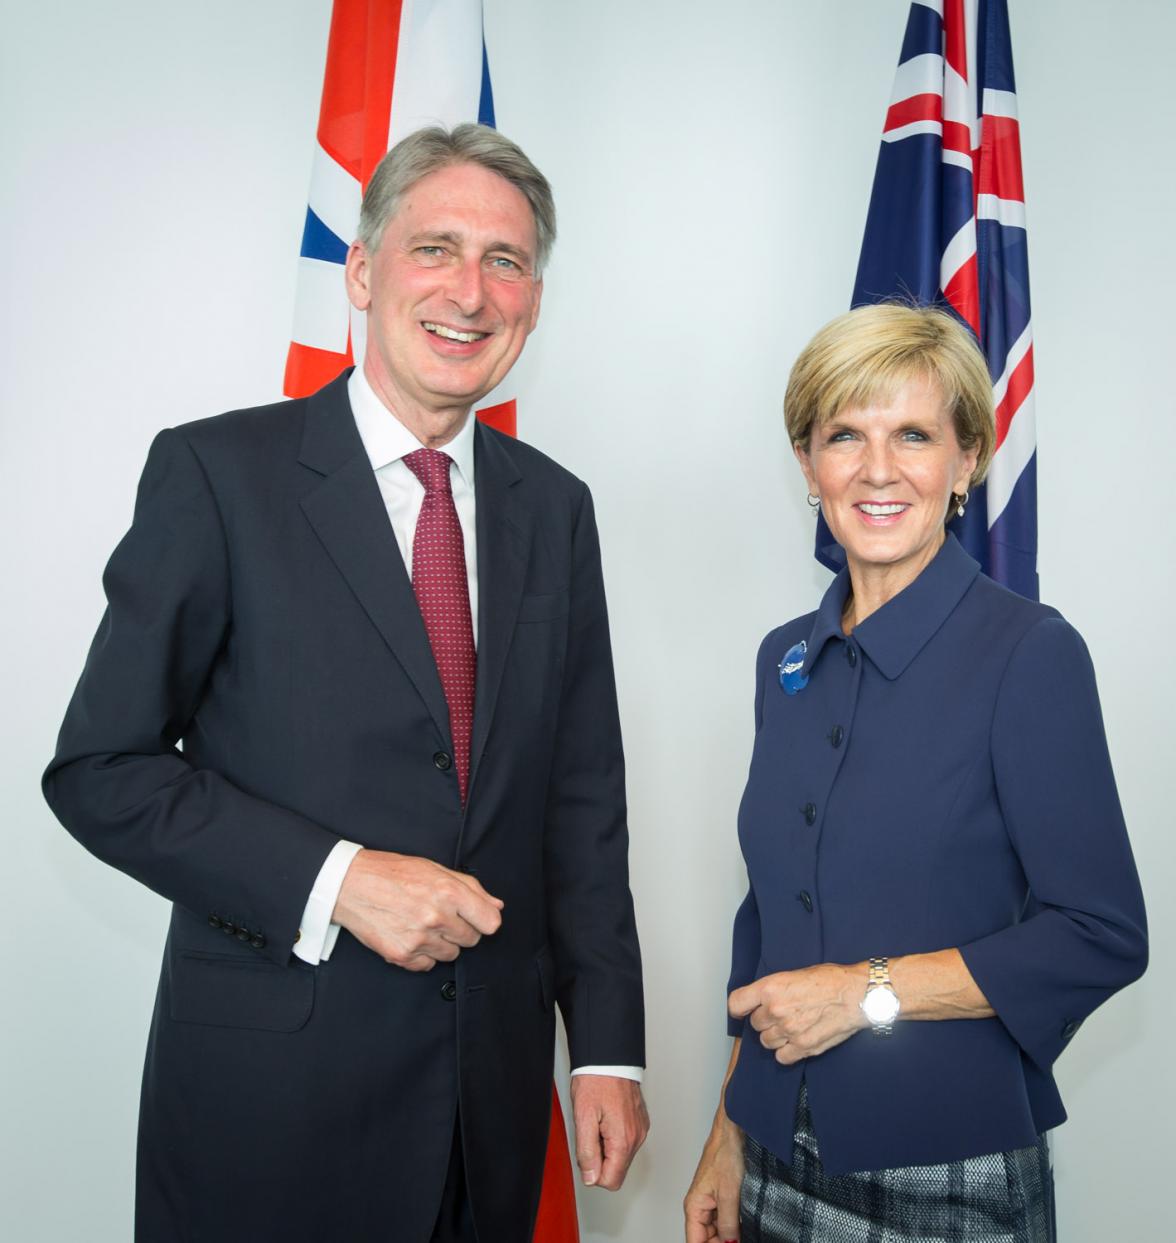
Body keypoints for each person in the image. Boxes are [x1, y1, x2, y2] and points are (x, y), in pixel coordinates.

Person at [44, 123, 647, 1243]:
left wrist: (607, 1045)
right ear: (364, 272)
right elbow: (98, 771)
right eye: (437, 249)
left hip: (492, 1110)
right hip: (269, 1114)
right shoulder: (218, 476)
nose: (471, 290)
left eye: (506, 261)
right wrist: (339, 879)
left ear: (534, 297)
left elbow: (580, 800)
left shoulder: (555, 508)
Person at [684, 303, 1146, 1243]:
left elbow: (1101, 934)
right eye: (844, 435)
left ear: (966, 459)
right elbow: (767, 931)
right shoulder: (787, 660)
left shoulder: (1030, 654)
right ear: (809, 466)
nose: (878, 469)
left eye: (914, 435)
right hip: (771, 1159)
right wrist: (727, 1135)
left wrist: (867, 992)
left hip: (945, 1174)